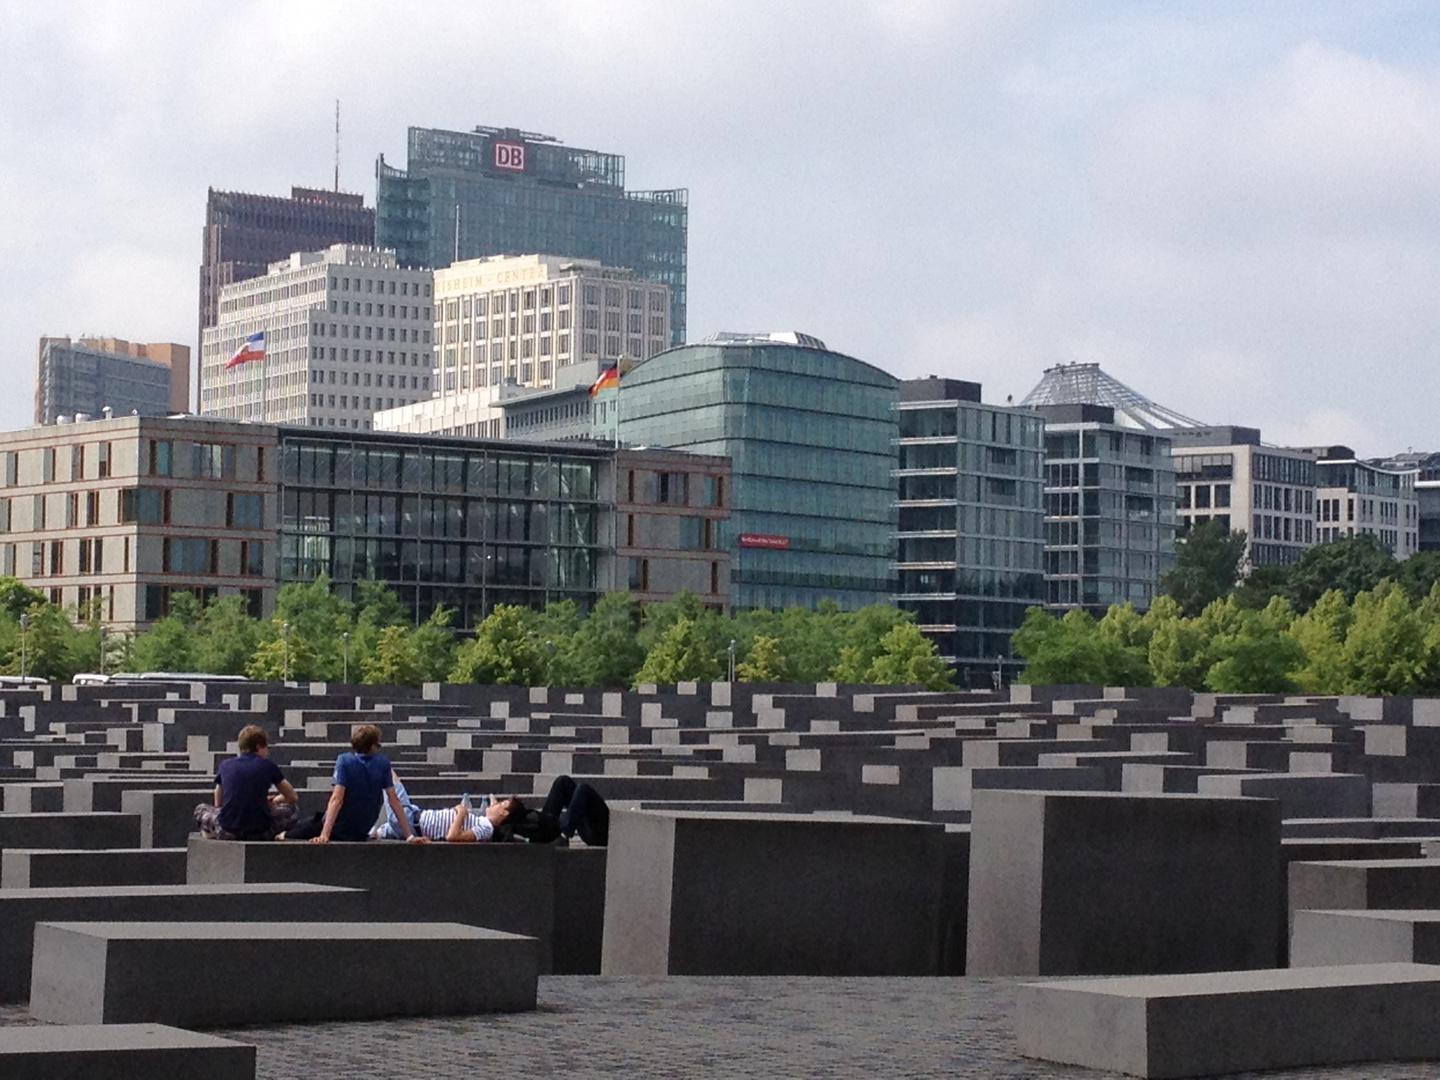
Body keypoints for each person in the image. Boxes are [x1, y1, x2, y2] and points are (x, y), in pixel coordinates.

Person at [306, 724, 423, 844]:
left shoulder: (345, 761)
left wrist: (325, 835)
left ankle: (284, 834)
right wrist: (409, 836)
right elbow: (394, 800)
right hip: (361, 830)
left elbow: (336, 799)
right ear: (373, 745)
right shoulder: (383, 763)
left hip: (338, 828)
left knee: (300, 829)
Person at [194, 724, 298, 841]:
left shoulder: (225, 764)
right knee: (292, 809)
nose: (267, 752)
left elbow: (218, 799)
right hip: (260, 832)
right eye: (267, 748)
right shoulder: (268, 765)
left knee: (200, 809)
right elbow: (292, 796)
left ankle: (212, 833)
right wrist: (275, 800)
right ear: (259, 746)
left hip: (226, 830)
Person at [371, 775, 525, 842]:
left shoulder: (487, 828)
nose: (496, 803)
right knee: (373, 834)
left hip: (409, 823)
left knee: (387, 773)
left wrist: (462, 813)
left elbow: (452, 837)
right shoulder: (483, 822)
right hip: (414, 819)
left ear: (504, 813)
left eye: (501, 804)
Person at [529, 774, 610, 846]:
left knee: (584, 789)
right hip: (589, 829)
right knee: (563, 781)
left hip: (602, 834)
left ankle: (565, 834)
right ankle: (545, 830)